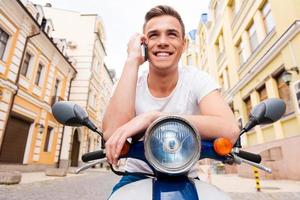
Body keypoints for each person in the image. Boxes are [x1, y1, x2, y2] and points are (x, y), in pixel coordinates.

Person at [102, 5, 240, 192]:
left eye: (172, 34)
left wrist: (154, 118)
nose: (162, 42)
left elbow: (230, 129)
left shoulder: (197, 79)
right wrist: (132, 59)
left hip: (186, 175)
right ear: (144, 45)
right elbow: (113, 133)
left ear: (184, 45)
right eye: (153, 35)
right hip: (137, 175)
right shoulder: (130, 82)